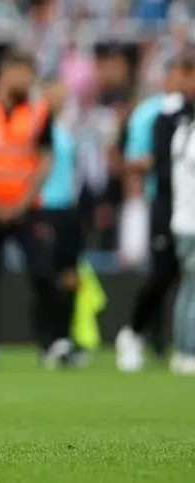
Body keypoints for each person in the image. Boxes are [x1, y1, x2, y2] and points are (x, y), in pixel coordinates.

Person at [0, 49, 73, 369]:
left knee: (42, 272)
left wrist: (23, 201)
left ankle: (56, 342)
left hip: (27, 208)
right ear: (5, 73)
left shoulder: (39, 111)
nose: (28, 81)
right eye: (23, 73)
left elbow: (46, 160)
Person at [116, 58, 187, 372]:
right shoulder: (154, 113)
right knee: (164, 272)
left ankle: (176, 344)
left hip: (189, 200)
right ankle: (132, 332)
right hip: (165, 200)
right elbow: (133, 160)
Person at [38, 79, 83, 367]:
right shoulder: (37, 131)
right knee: (46, 275)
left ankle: (65, 338)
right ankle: (48, 340)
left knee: (70, 276)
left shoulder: (64, 131)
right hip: (45, 207)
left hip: (67, 208)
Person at [167, 52, 195, 374]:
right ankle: (188, 351)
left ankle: (184, 350)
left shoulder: (180, 131)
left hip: (181, 220)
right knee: (191, 290)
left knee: (187, 288)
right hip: (190, 223)